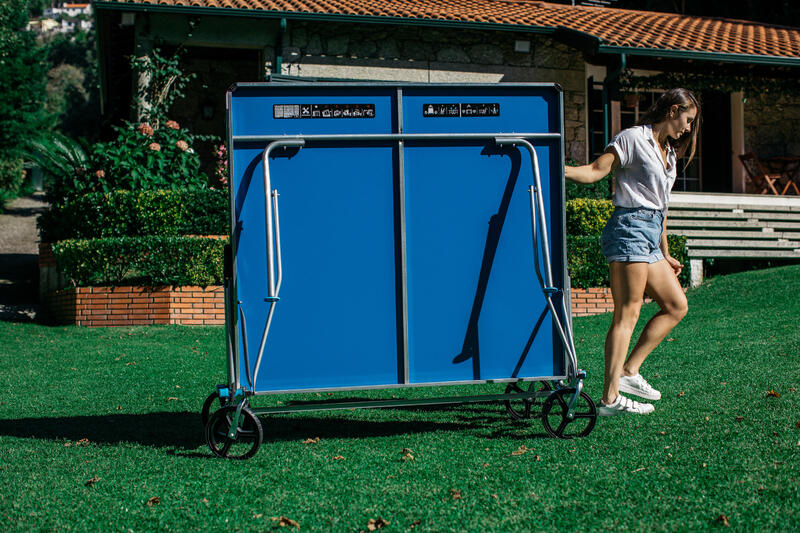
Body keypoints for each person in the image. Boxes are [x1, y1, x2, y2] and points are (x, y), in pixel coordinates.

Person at [564, 88, 700, 416]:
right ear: (672, 110)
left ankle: (629, 372)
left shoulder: (669, 153)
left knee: (676, 305)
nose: (688, 128)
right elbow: (597, 170)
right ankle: (610, 399)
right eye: (688, 119)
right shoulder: (632, 139)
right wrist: (558, 167)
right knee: (628, 313)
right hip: (628, 229)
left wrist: (664, 253)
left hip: (649, 236)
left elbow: (661, 207)